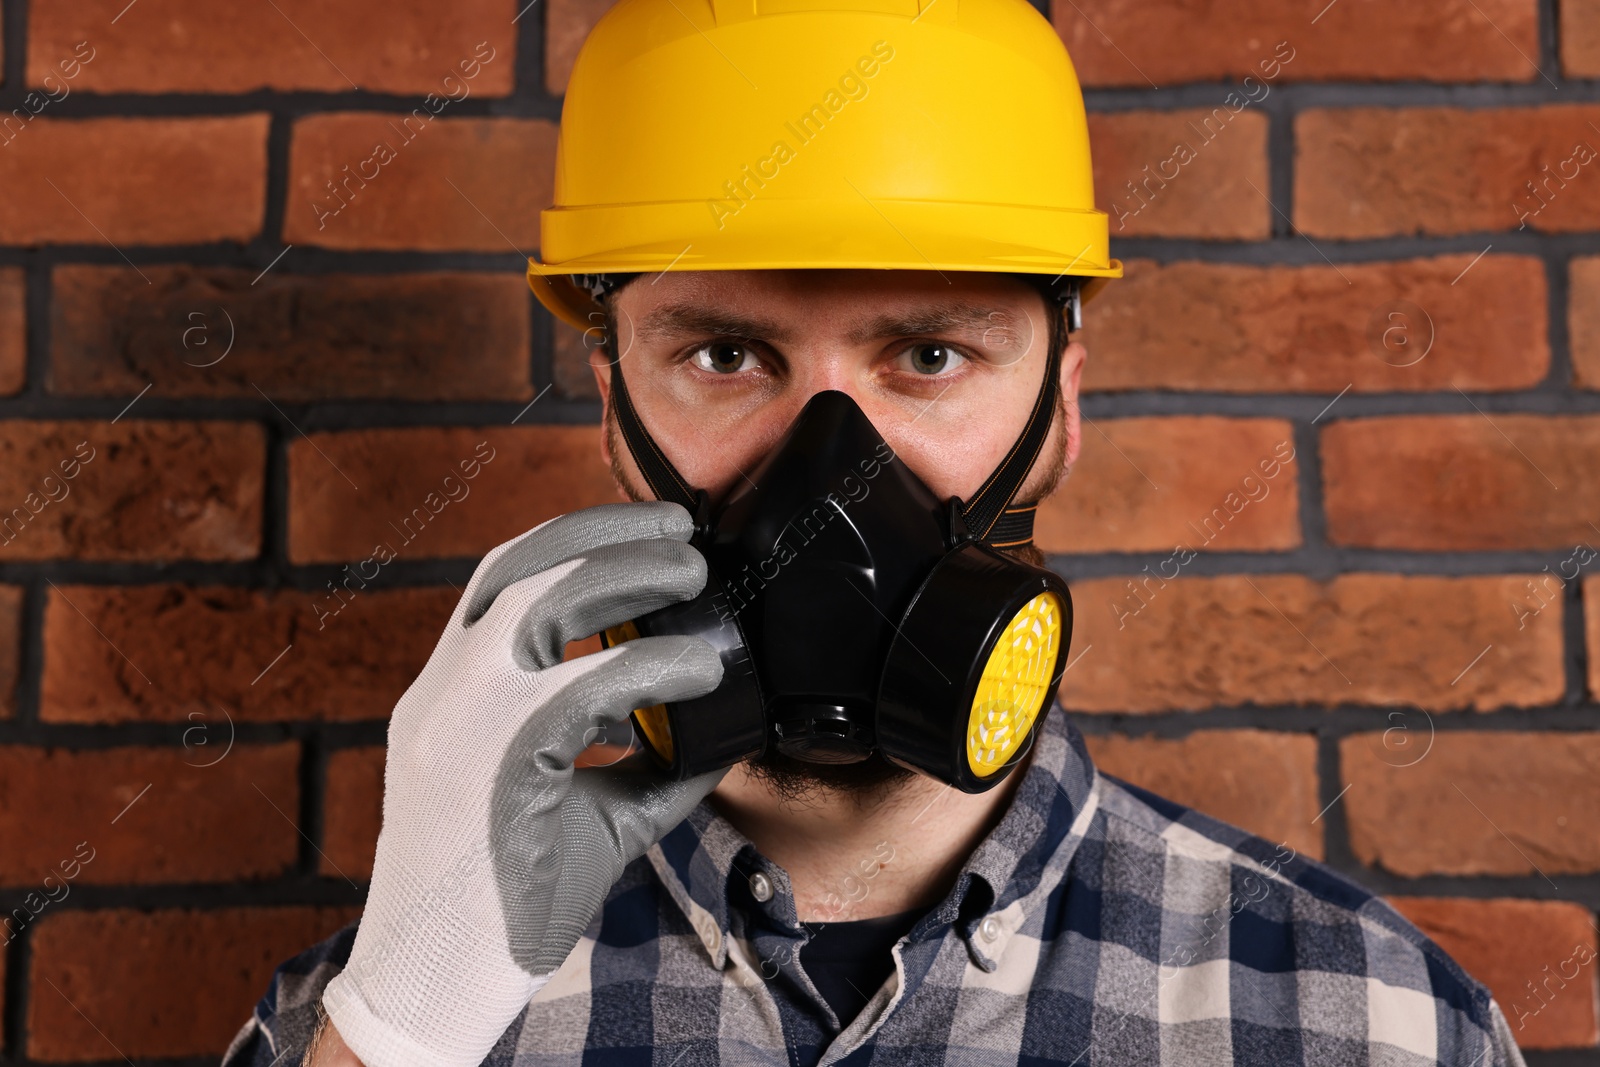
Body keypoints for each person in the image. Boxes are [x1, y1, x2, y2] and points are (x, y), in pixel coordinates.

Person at [222, 0, 1529, 1064]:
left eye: (932, 352)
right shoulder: (383, 1016)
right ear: (609, 403)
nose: (831, 471)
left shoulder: (1369, 1022)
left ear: (1061, 409)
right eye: (726, 353)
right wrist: (399, 1031)